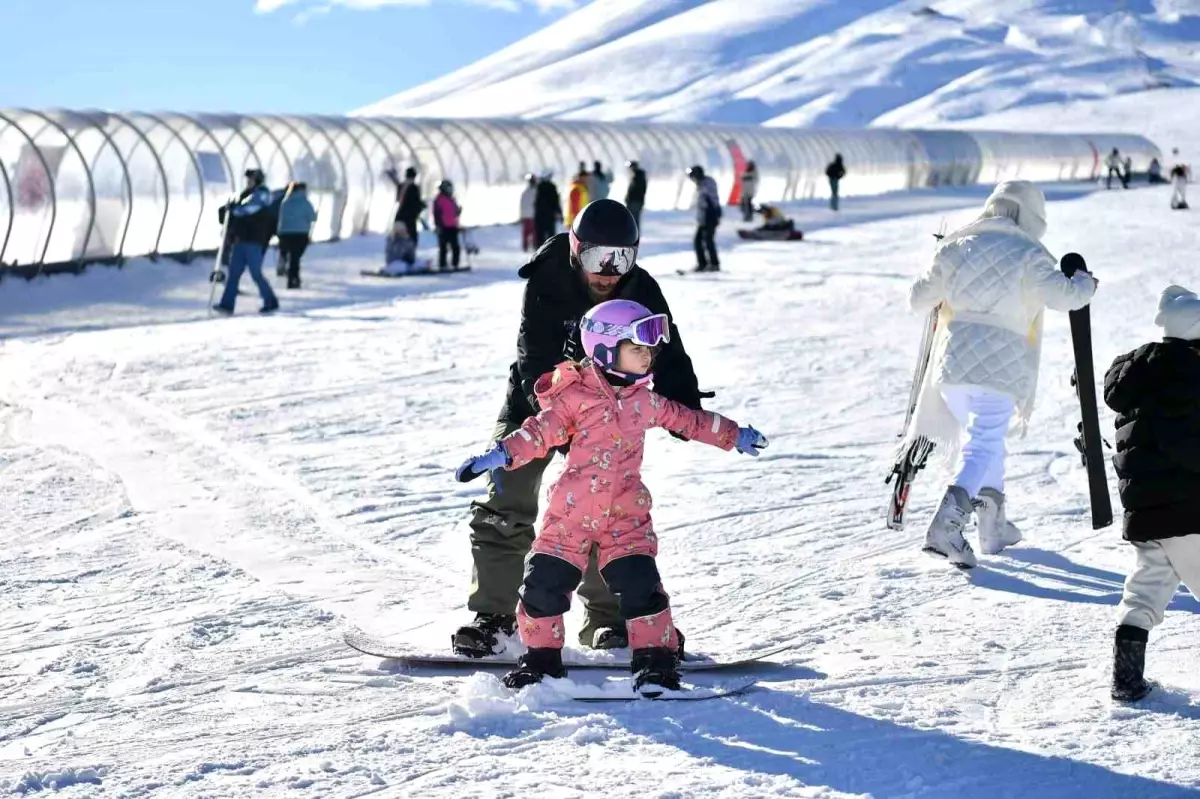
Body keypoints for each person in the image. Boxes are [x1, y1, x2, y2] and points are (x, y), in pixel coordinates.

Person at [455, 299, 769, 693]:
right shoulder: (573, 398)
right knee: (542, 587)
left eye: (650, 349)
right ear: (604, 348)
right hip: (569, 515)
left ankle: (655, 662)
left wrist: (733, 434)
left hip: (625, 515)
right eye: (636, 348)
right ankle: (540, 660)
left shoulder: (645, 400)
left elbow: (689, 420)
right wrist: (501, 453)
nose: (647, 356)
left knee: (642, 588)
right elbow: (539, 432)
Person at [453, 199, 709, 658]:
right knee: (506, 497)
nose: (609, 271)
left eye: (622, 258)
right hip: (536, 405)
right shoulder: (548, 279)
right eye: (597, 258)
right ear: (576, 250)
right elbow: (534, 355)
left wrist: (685, 404)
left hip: (607, 412)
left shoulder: (640, 288)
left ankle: (608, 622)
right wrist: (558, 423)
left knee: (603, 508)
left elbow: (668, 349)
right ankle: (493, 617)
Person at [906, 180, 1097, 568]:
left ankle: (993, 526)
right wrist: (1084, 283)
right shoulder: (1029, 252)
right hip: (999, 367)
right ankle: (947, 524)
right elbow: (1064, 297)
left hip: (951, 367)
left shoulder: (956, 245)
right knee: (984, 444)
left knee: (986, 442)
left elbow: (917, 299)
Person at [1104, 286, 1200, 702]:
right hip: (1188, 512)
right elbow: (1187, 447)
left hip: (1145, 511)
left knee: (1144, 594)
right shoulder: (1189, 377)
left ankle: (1126, 681)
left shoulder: (1138, 375)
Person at [213, 168, 279, 315]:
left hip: (254, 240)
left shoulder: (262, 194)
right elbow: (239, 211)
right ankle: (227, 304)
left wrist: (235, 209)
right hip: (241, 240)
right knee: (234, 273)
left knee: (255, 272)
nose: (248, 182)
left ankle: (270, 301)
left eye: (251, 179)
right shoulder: (246, 195)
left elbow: (250, 209)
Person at [276, 181, 316, 290]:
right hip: (300, 234)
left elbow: (281, 218)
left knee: (292, 256)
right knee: (295, 257)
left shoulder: (285, 202)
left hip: (285, 233)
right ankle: (293, 279)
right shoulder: (305, 202)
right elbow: (312, 217)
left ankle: (288, 270)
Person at [687, 165, 721, 273]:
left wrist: (709, 217)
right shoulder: (702, 185)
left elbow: (709, 202)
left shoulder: (706, 184)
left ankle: (713, 264)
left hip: (710, 217)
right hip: (704, 217)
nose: (693, 180)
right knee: (699, 241)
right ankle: (703, 264)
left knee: (707, 241)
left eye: (693, 177)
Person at [384, 166, 426, 248]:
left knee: (398, 236)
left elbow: (398, 200)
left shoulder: (401, 186)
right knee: (412, 238)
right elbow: (415, 203)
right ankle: (409, 256)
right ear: (414, 176)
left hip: (399, 216)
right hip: (409, 218)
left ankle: (397, 254)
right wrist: (422, 206)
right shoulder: (414, 188)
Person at [432, 180, 462, 271]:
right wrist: (438, 225)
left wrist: (458, 211)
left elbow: (455, 212)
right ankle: (443, 264)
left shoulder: (452, 199)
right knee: (443, 247)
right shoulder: (439, 199)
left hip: (452, 226)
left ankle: (455, 264)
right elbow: (436, 214)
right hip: (443, 226)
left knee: (455, 247)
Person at [534, 171, 562, 248]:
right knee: (550, 235)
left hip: (540, 215)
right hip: (549, 215)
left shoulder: (538, 187)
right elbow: (556, 201)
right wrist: (560, 213)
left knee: (540, 235)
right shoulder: (552, 187)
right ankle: (551, 249)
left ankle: (539, 250)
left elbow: (536, 202)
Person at [624, 160, 647, 232]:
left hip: (635, 201)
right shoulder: (639, 177)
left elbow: (634, 190)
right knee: (634, 219)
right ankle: (634, 233)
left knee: (633, 219)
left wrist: (629, 198)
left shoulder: (637, 177)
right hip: (637, 201)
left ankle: (634, 233)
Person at [520, 174, 538, 252]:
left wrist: (521, 215)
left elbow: (522, 205)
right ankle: (534, 245)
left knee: (526, 232)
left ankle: (525, 246)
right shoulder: (536, 192)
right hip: (533, 215)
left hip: (526, 215)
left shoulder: (525, 192)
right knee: (534, 232)